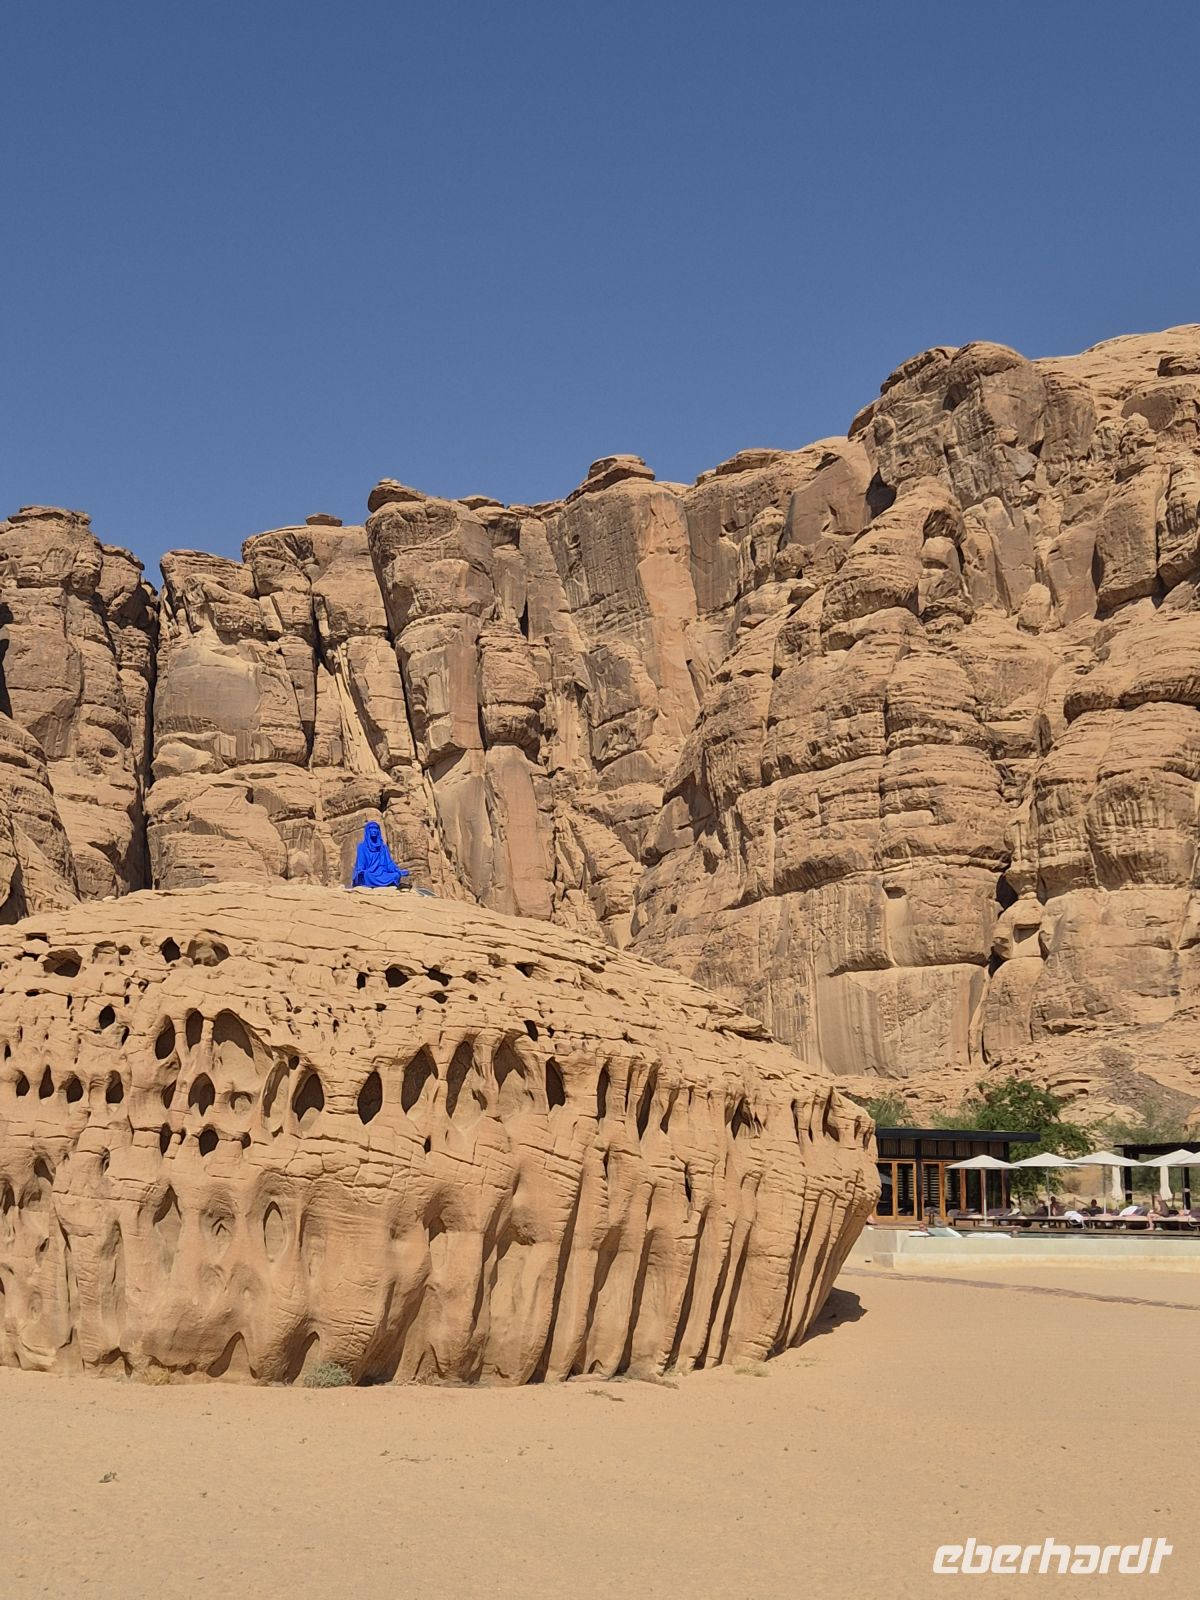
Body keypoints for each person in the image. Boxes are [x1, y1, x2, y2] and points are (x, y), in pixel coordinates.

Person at [350, 821, 410, 889]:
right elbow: (361, 863)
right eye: (371, 828)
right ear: (367, 831)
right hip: (370, 873)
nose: (374, 830)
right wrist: (361, 871)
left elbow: (389, 863)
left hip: (383, 874)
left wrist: (398, 871)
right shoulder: (362, 847)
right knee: (366, 875)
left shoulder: (383, 848)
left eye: (376, 828)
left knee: (396, 875)